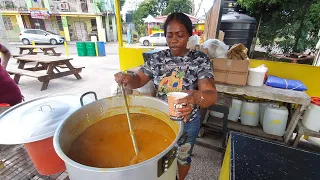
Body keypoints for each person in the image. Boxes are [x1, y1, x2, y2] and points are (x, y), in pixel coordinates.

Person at [114, 12, 217, 180]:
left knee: (183, 158)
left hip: (187, 122)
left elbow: (210, 95)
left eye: (180, 35)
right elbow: (138, 79)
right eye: (170, 35)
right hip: (160, 120)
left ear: (190, 35)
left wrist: (195, 97)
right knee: (159, 156)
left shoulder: (200, 59)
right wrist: (127, 78)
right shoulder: (157, 59)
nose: (174, 39)